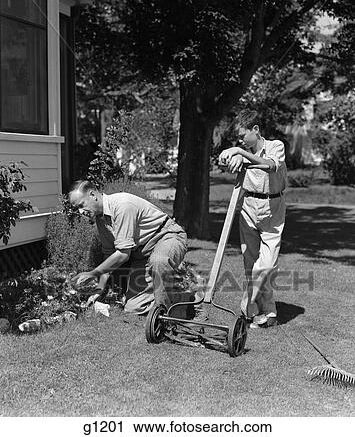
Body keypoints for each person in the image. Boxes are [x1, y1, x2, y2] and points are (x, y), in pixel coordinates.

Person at [69, 180, 204, 317]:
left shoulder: (122, 205)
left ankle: (172, 316)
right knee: (134, 308)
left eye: (81, 205)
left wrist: (92, 273)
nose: (80, 212)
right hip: (144, 253)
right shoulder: (101, 220)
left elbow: (123, 255)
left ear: (92, 194)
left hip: (167, 237)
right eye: (77, 208)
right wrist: (99, 289)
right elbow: (109, 256)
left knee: (159, 261)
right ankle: (183, 297)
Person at [219, 109, 287, 329]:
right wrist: (229, 156)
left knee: (266, 264)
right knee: (250, 263)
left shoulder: (276, 145)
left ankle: (246, 307)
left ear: (255, 130)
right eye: (238, 139)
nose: (240, 140)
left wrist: (240, 151)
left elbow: (270, 165)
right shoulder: (242, 152)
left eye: (242, 136)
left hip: (272, 207)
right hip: (248, 206)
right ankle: (267, 312)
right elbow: (225, 162)